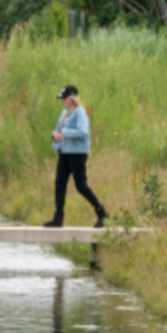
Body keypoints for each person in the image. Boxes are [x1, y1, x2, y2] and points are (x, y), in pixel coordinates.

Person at [45, 85, 109, 228]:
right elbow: (58, 130)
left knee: (81, 186)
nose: (62, 101)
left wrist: (65, 132)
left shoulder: (80, 112)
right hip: (64, 152)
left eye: (64, 98)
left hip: (77, 154)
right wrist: (54, 135)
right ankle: (58, 217)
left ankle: (101, 213)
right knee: (59, 184)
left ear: (72, 98)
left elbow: (83, 131)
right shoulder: (64, 113)